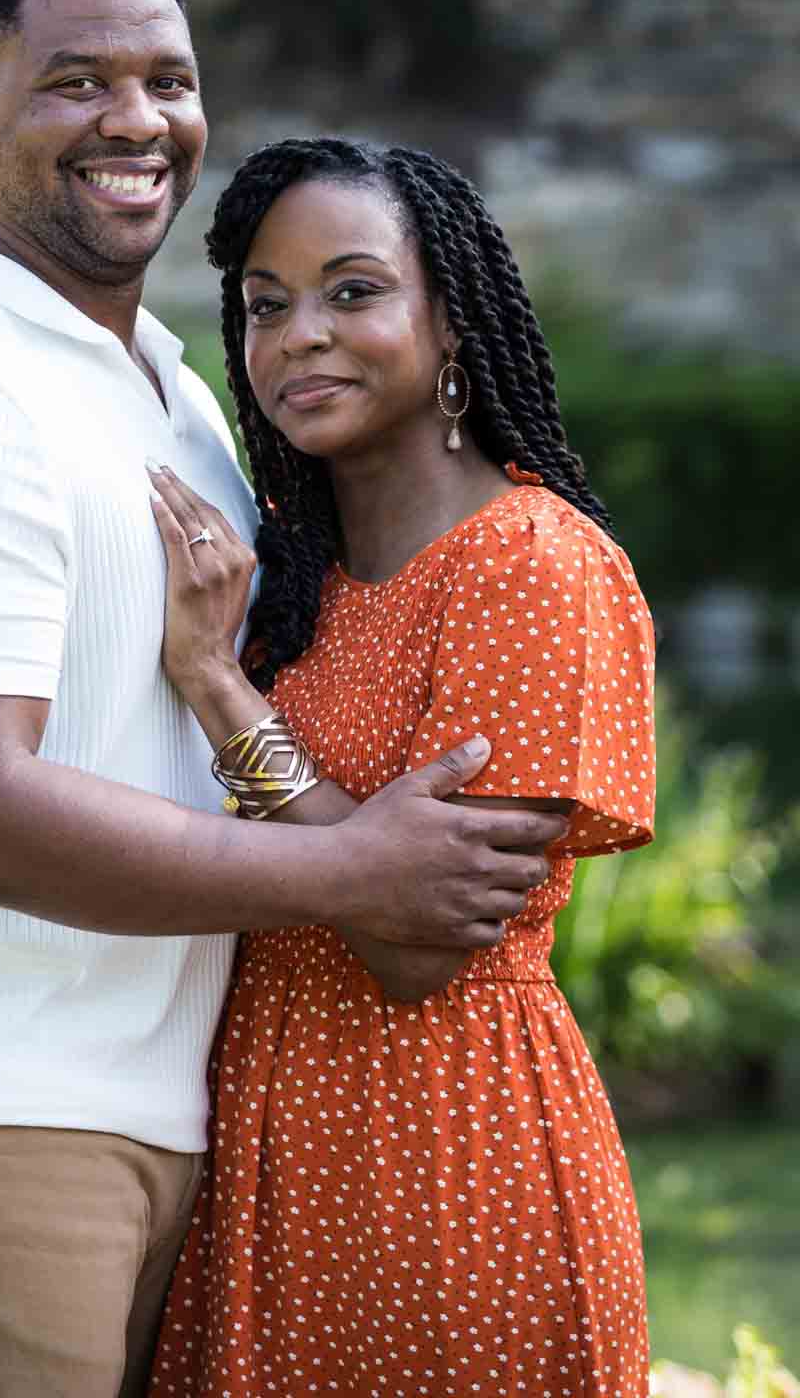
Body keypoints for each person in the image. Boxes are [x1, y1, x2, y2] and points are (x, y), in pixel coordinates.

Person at [0, 0, 568, 1398]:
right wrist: (353, 868)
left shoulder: (179, 398)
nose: (137, 120)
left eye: (168, 81)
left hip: (140, 1105)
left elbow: (96, 739)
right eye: (78, 82)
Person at [137, 137, 657, 1397]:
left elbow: (416, 945)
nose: (300, 334)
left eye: (353, 291)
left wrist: (219, 692)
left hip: (447, 1161)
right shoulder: (285, 582)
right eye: (266, 306)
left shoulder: (532, 566)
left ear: (453, 321)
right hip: (257, 1138)